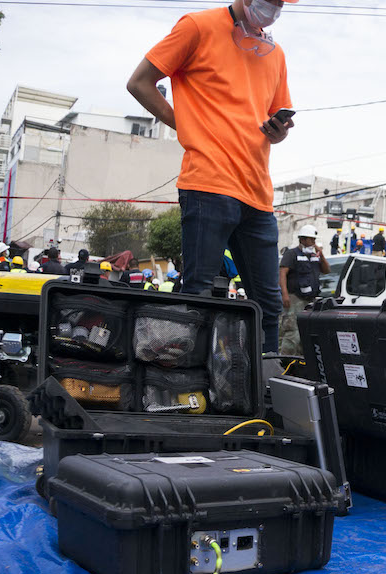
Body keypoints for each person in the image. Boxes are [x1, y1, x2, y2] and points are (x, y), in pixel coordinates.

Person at [127, 0, 297, 354]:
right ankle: (195, 390)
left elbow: (273, 117)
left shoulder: (274, 52)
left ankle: (265, 388)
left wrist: (278, 131)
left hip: (257, 192)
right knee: (199, 296)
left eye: (282, 3)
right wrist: (183, 123)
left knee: (268, 306)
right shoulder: (198, 27)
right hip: (207, 183)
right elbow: (140, 82)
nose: (276, 7)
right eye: (272, 0)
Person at [278, 223, 328, 356]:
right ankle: (285, 363)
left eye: (314, 240)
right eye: (310, 239)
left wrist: (320, 254)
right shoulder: (291, 254)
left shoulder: (314, 255)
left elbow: (326, 270)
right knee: (292, 333)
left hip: (310, 301)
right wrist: (285, 295)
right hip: (295, 298)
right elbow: (282, 274)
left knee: (305, 334)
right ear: (302, 239)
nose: (313, 242)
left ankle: (299, 364)